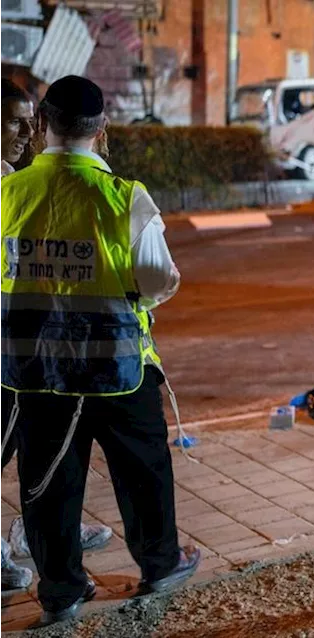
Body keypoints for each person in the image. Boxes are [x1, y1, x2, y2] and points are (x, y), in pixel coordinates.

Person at [0, 75, 200, 627]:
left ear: (42, 127)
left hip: (36, 372)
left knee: (47, 483)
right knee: (143, 472)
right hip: (117, 369)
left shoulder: (7, 194)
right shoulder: (124, 197)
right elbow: (157, 278)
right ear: (102, 131)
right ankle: (161, 564)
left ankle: (60, 591)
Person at [0, 78, 117, 593]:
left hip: (24, 348)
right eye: (14, 121)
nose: (29, 131)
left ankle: (40, 530)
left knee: (34, 444)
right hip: (10, 347)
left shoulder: (11, 178)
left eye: (32, 120)